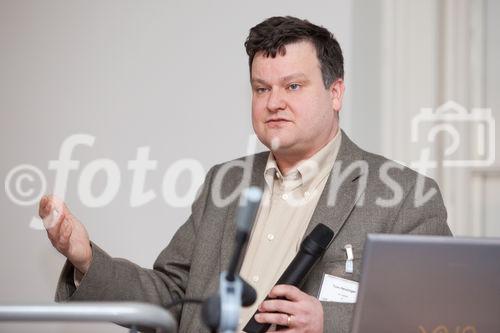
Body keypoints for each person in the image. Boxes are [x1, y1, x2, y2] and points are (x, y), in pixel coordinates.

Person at [39, 16, 452, 332]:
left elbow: (439, 314)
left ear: (335, 92)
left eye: (292, 86)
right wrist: (86, 259)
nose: (274, 102)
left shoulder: (404, 195)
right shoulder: (225, 183)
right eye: (261, 89)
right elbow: (171, 297)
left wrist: (331, 322)